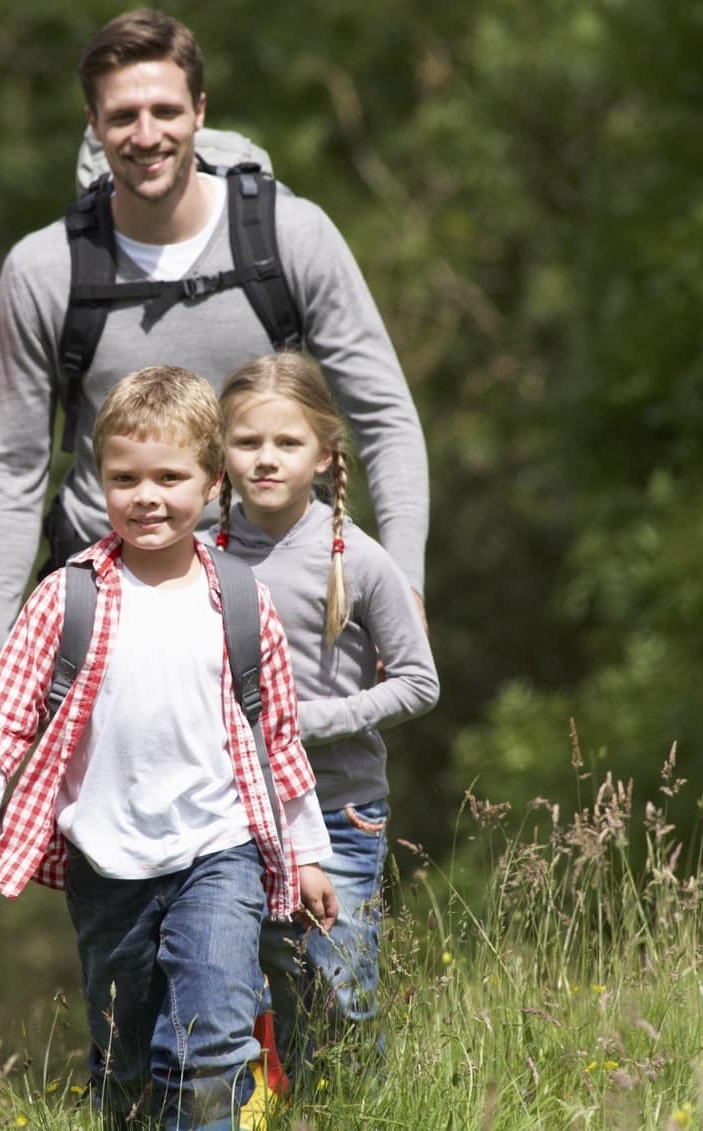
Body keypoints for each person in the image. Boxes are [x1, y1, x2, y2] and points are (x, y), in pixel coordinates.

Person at [0, 7, 429, 676]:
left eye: (165, 110)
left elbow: (384, 417)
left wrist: (401, 586)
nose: (146, 134)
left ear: (199, 112)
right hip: (112, 603)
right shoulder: (44, 269)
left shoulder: (291, 238)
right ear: (93, 126)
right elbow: (11, 470)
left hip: (282, 596)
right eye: (123, 116)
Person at [0, 366, 339, 1130]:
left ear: (213, 482)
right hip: (107, 859)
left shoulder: (239, 597)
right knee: (125, 1059)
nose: (146, 496)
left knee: (212, 1040)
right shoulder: (69, 595)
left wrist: (305, 851)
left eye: (169, 476)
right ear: (100, 483)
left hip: (219, 849)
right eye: (124, 478)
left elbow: (276, 739)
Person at [216, 352, 440, 1084]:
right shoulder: (199, 554)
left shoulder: (359, 558)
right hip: (225, 813)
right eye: (247, 443)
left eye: (286, 443)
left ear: (323, 453)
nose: (266, 459)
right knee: (240, 988)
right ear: (221, 451)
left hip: (338, 808)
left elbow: (417, 682)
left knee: (337, 991)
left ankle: (346, 1106)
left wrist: (307, 720)